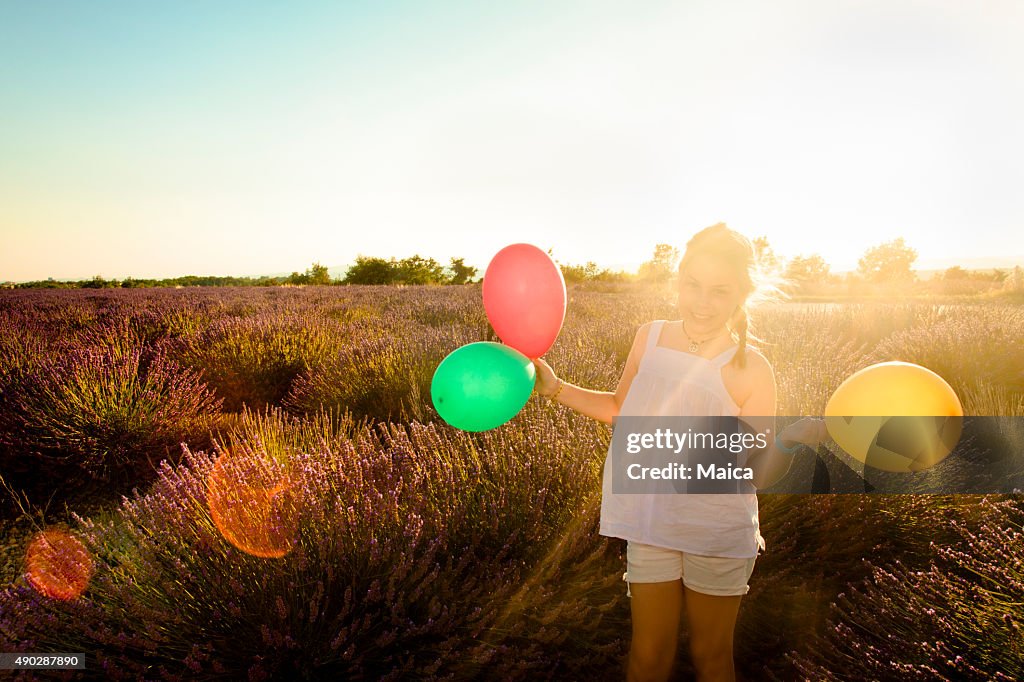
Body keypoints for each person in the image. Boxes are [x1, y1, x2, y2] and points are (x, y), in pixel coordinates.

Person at [532, 223, 827, 682]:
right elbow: (617, 408)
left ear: (741, 295)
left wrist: (789, 441)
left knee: (711, 658)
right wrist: (556, 389)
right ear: (677, 279)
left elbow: (759, 471)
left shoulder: (750, 368)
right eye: (692, 284)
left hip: (716, 528)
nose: (702, 302)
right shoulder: (648, 337)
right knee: (648, 657)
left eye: (719, 290)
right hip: (650, 522)